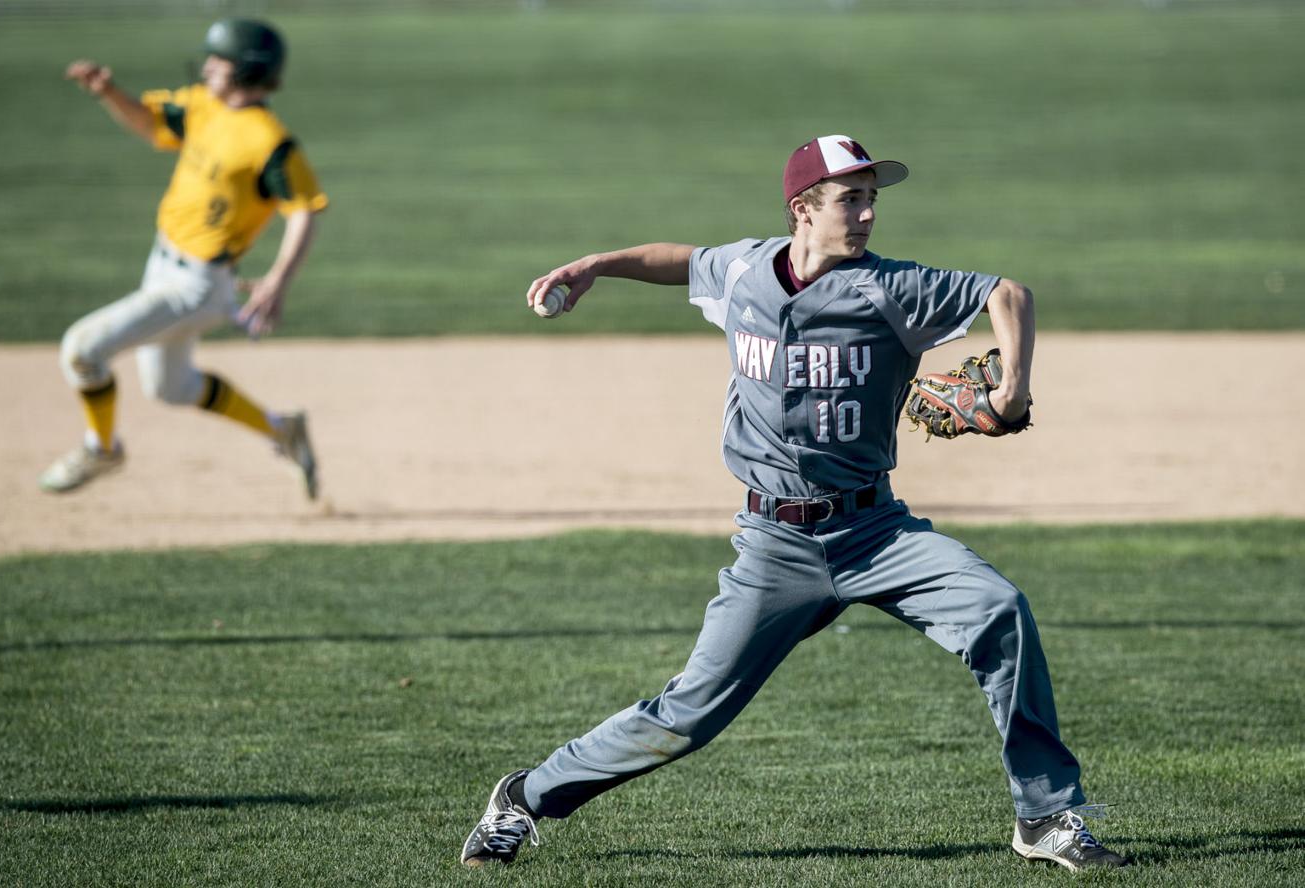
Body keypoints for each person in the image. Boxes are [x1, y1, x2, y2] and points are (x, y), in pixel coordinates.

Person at [460, 135, 1130, 872]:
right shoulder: (745, 270)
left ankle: (1044, 814)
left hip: (875, 532)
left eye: (871, 199)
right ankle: (524, 796)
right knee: (689, 714)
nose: (867, 214)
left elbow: (1008, 294)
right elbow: (681, 260)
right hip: (773, 545)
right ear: (802, 209)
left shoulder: (892, 288)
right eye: (851, 199)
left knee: (999, 610)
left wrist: (1013, 391)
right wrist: (596, 265)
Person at [41, 19, 327, 498]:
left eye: (220, 60)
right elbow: (152, 124)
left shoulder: (270, 142)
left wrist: (278, 279)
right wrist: (109, 92)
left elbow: (304, 211)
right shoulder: (203, 105)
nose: (208, 66)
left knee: (82, 351)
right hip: (161, 266)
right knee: (171, 389)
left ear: (247, 70)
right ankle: (283, 430)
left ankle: (102, 448)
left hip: (198, 287)